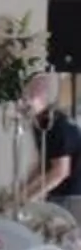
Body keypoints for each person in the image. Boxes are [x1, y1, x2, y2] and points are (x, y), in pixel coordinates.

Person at [19, 79, 81, 207]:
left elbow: (60, 171)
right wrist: (22, 190)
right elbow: (44, 166)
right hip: (59, 193)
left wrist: (26, 200)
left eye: (29, 98)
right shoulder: (39, 124)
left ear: (43, 98)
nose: (23, 104)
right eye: (23, 98)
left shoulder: (57, 124)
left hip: (72, 195)